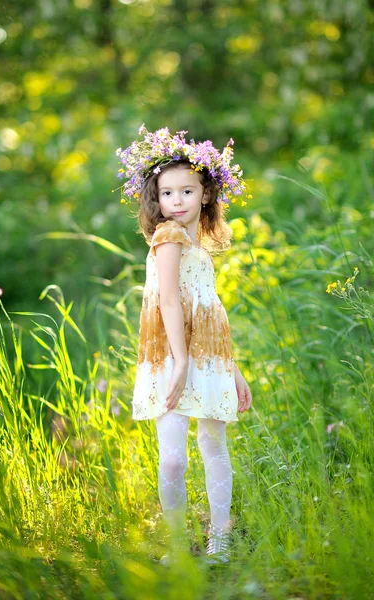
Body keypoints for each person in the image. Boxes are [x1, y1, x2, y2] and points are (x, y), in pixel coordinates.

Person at [115, 125, 253, 566]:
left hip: (210, 358)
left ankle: (220, 538)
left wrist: (233, 370)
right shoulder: (168, 237)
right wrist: (178, 362)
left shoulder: (199, 246)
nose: (176, 201)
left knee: (214, 446)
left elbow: (210, 310)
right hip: (171, 356)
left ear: (206, 194)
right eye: (167, 193)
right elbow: (170, 301)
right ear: (157, 199)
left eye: (186, 191)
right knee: (173, 459)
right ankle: (177, 544)